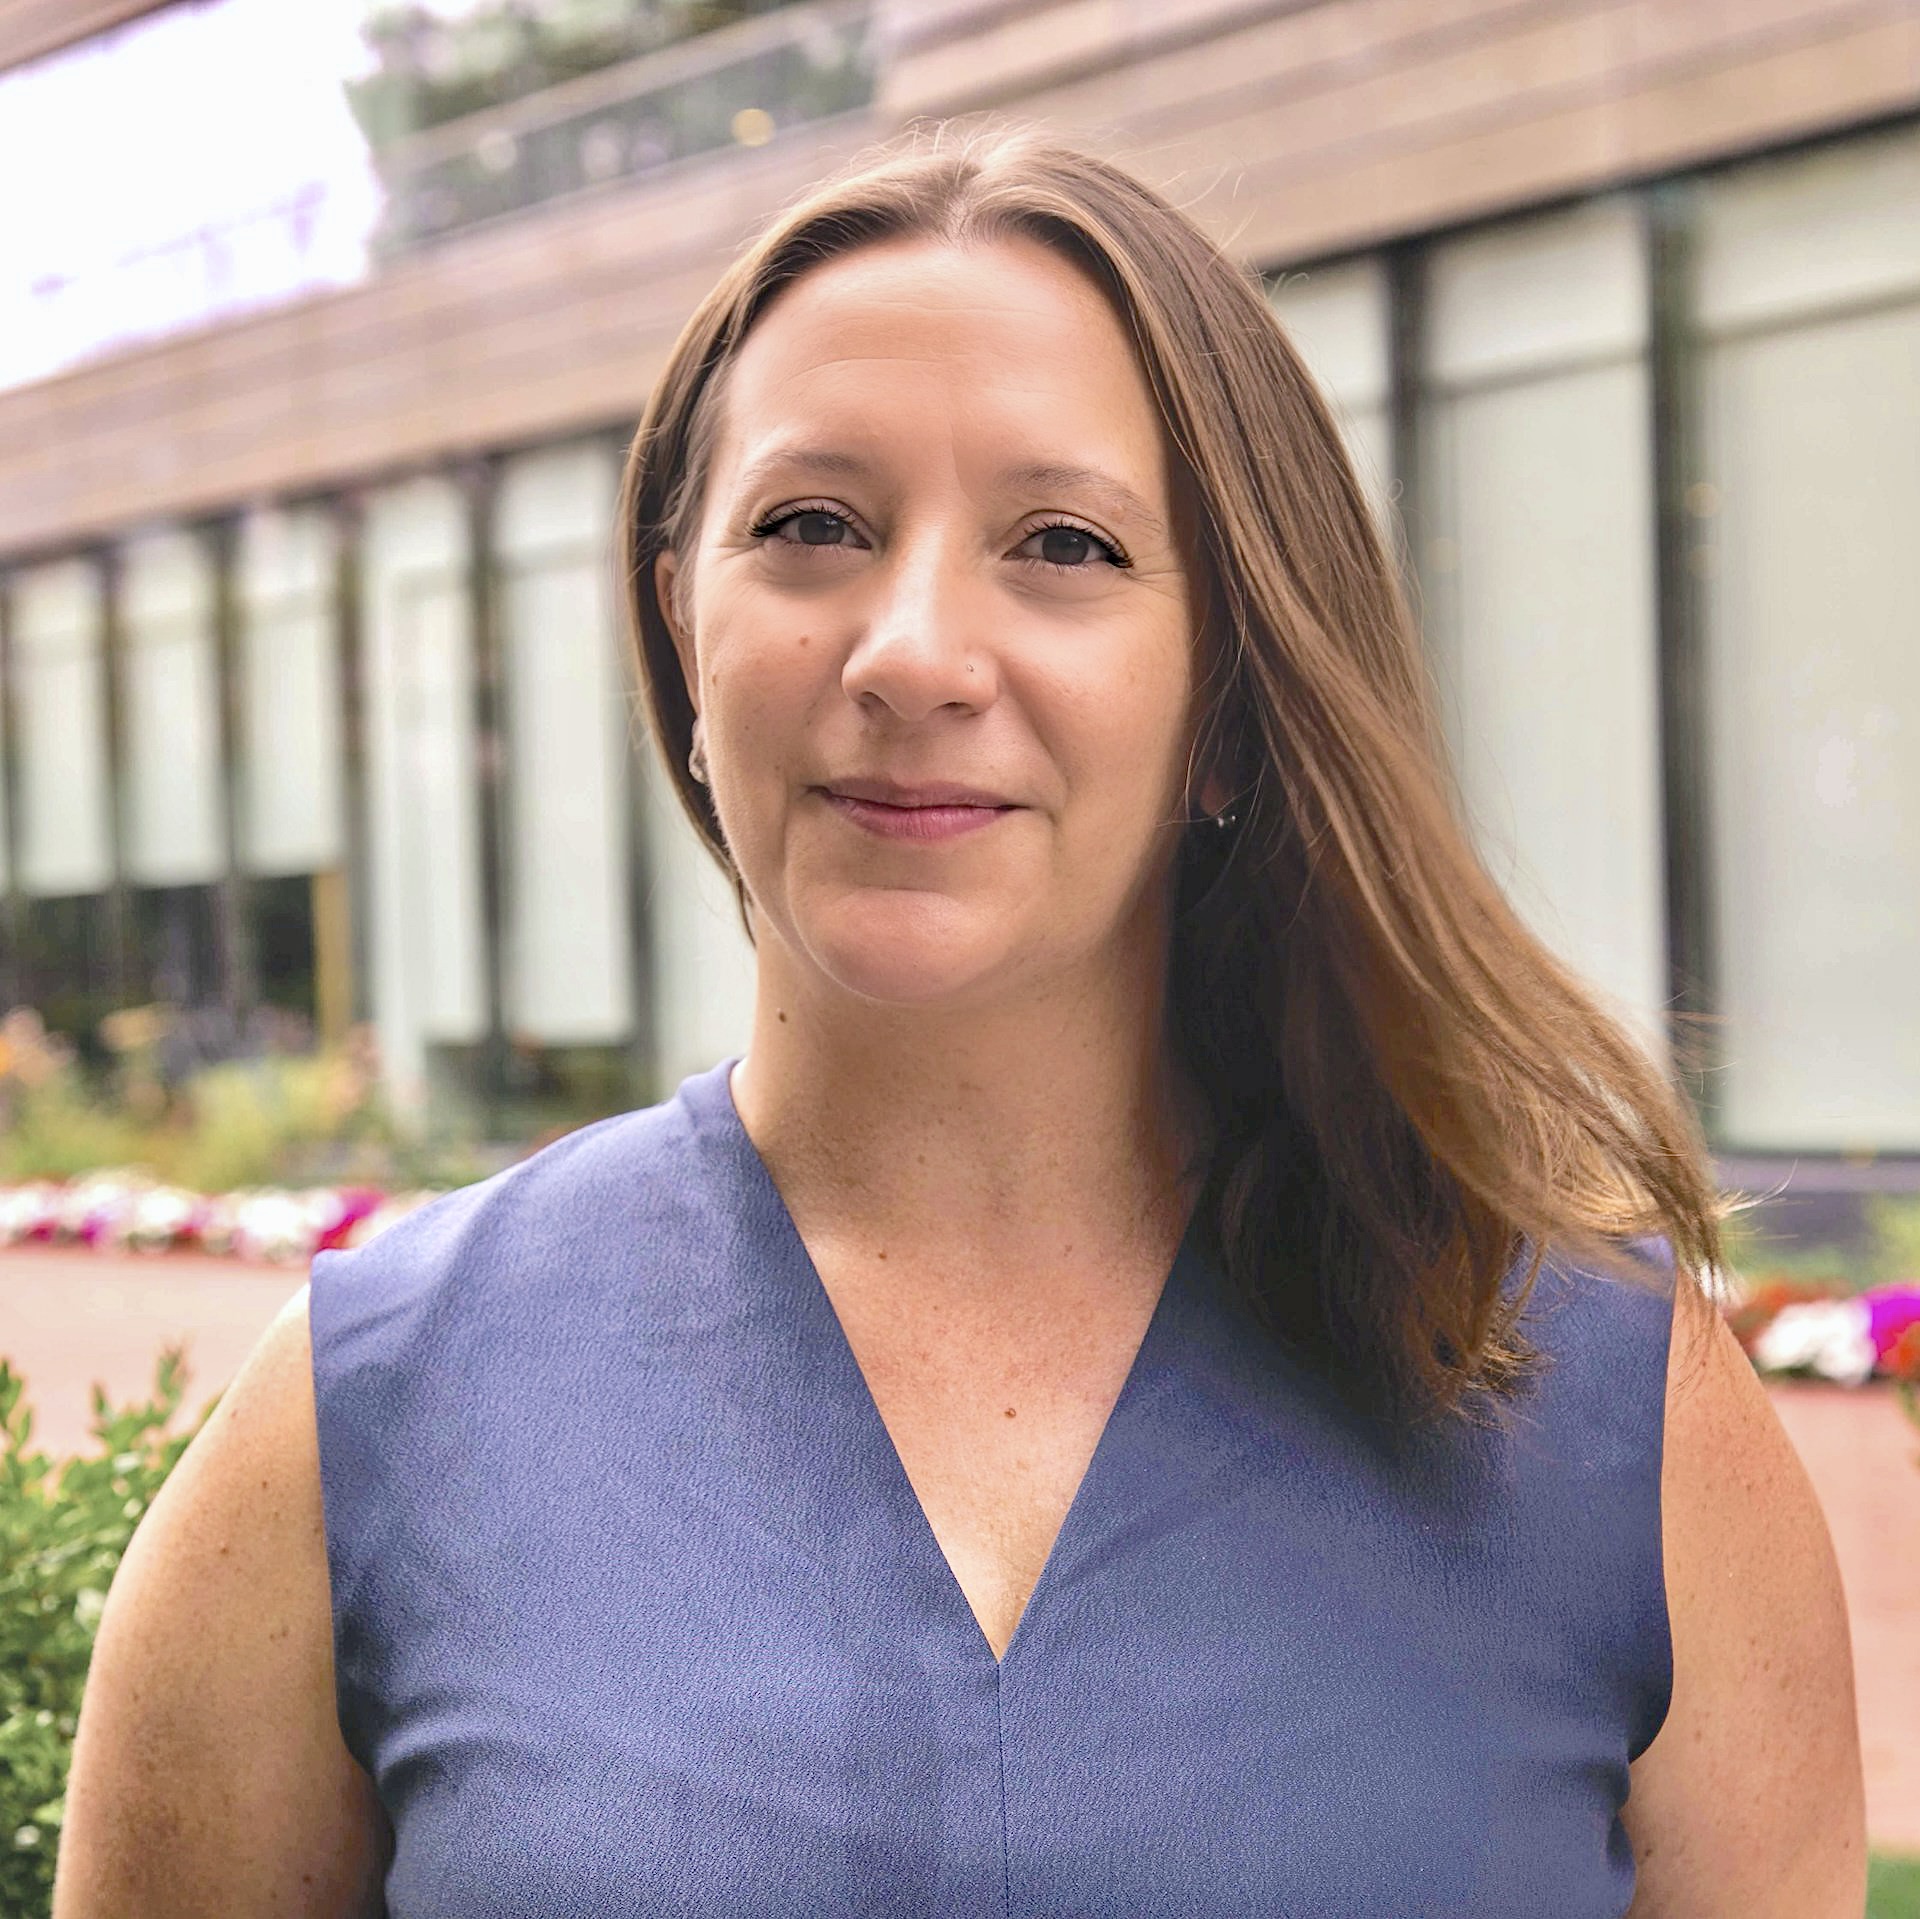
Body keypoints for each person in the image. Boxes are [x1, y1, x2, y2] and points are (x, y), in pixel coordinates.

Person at [54, 124, 1864, 1916]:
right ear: (682, 638)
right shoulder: (362, 1423)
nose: (910, 651)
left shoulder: (1619, 1427)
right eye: (811, 526)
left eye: (1063, 544)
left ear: (1234, 699)